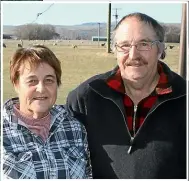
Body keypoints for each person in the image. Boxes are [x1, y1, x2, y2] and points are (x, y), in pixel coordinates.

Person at [66, 12, 186, 179]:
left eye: (144, 44)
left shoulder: (183, 97)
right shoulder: (85, 98)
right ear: (115, 50)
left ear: (160, 49)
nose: (133, 55)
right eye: (124, 46)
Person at [3, 45, 92, 179]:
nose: (41, 88)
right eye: (32, 81)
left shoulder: (74, 128)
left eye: (49, 80)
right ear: (16, 84)